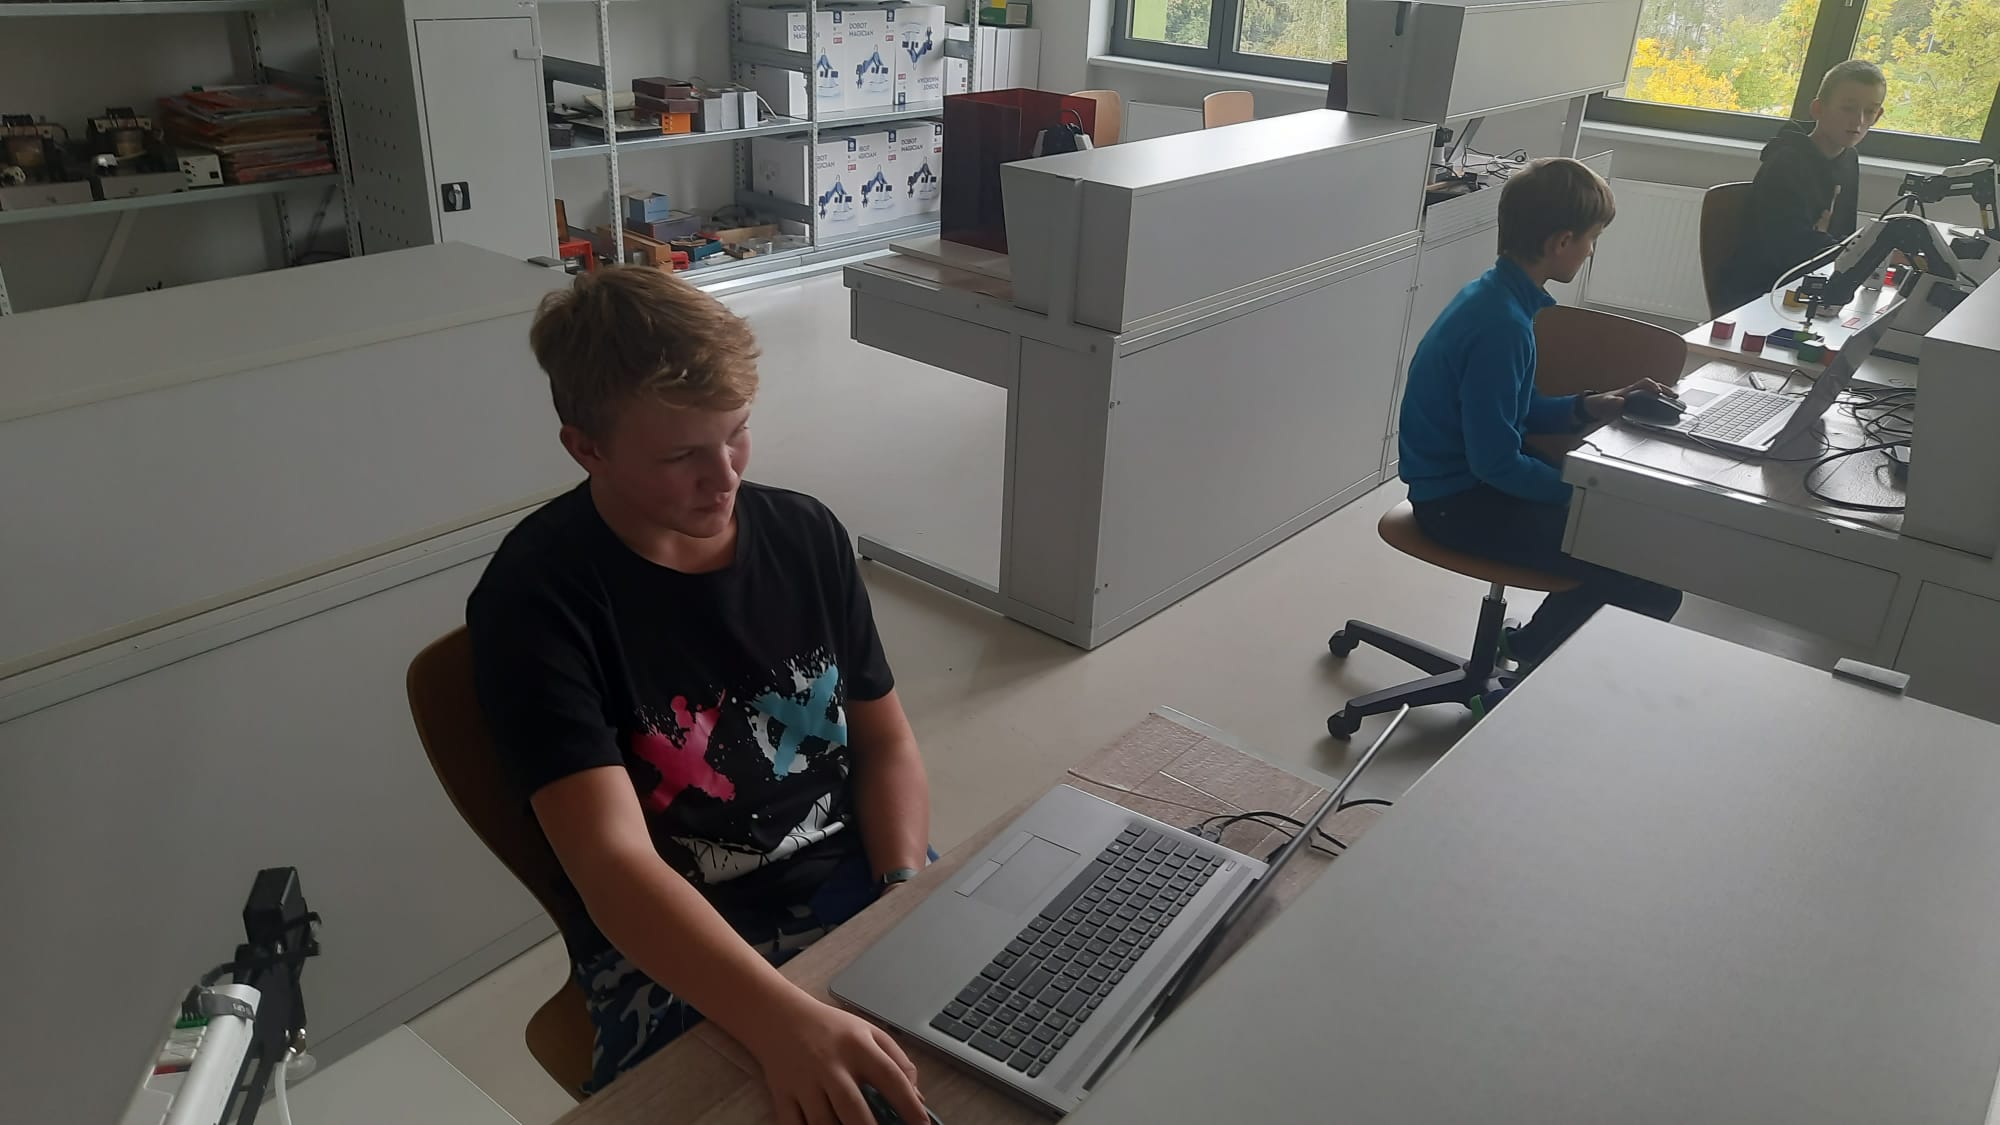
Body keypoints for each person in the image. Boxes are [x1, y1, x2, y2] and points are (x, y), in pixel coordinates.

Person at [466, 266, 934, 1125]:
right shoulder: (537, 601)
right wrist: (781, 1017)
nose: (724, 478)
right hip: (676, 941)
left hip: (859, 874)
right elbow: (613, 865)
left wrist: (904, 888)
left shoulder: (805, 534)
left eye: (737, 434)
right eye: (682, 456)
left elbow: (886, 743)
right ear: (586, 448)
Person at [1398, 157, 1683, 668]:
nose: (1591, 250)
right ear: (1562, 242)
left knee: (1630, 542)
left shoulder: (1495, 296)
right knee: (1649, 578)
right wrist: (1582, 496)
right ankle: (1536, 678)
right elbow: (1496, 463)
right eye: (1592, 238)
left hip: (1465, 487)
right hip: (1456, 506)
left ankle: (1530, 649)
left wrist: (1589, 405)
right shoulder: (1503, 327)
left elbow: (1516, 408)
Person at [1717, 60, 1888, 312]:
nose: (1859, 120)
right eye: (1848, 108)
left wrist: (1856, 250)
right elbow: (1790, 249)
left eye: (1870, 111)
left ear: (1879, 116)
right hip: (1762, 292)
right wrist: (1845, 249)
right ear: (1818, 109)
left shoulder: (1849, 158)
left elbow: (1842, 235)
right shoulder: (1785, 163)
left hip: (1813, 282)